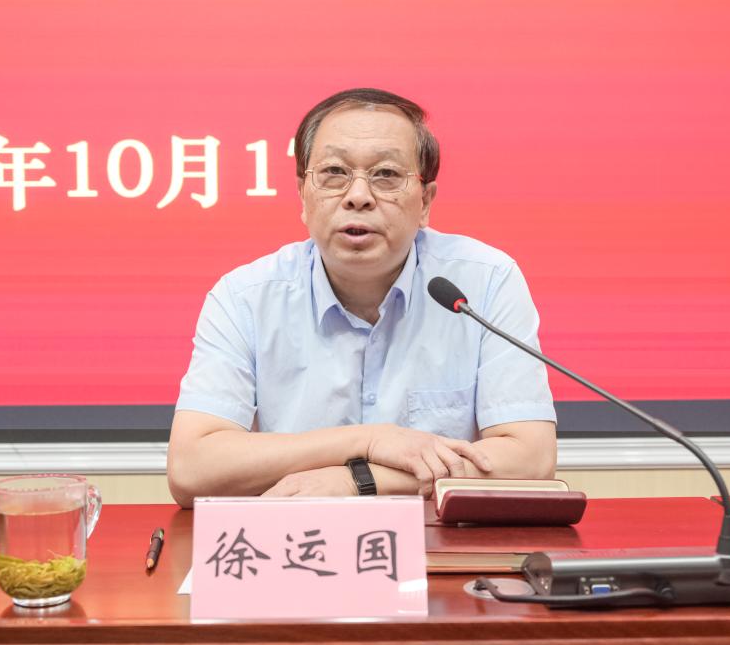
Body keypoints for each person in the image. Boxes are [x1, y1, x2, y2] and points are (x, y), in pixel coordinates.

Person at [167, 88, 556, 508]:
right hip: (296, 541)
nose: (358, 196)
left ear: (425, 202)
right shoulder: (245, 298)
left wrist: (359, 480)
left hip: (440, 543)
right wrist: (368, 440)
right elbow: (191, 469)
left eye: (386, 175)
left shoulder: (485, 283)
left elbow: (530, 459)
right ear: (303, 196)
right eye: (334, 172)